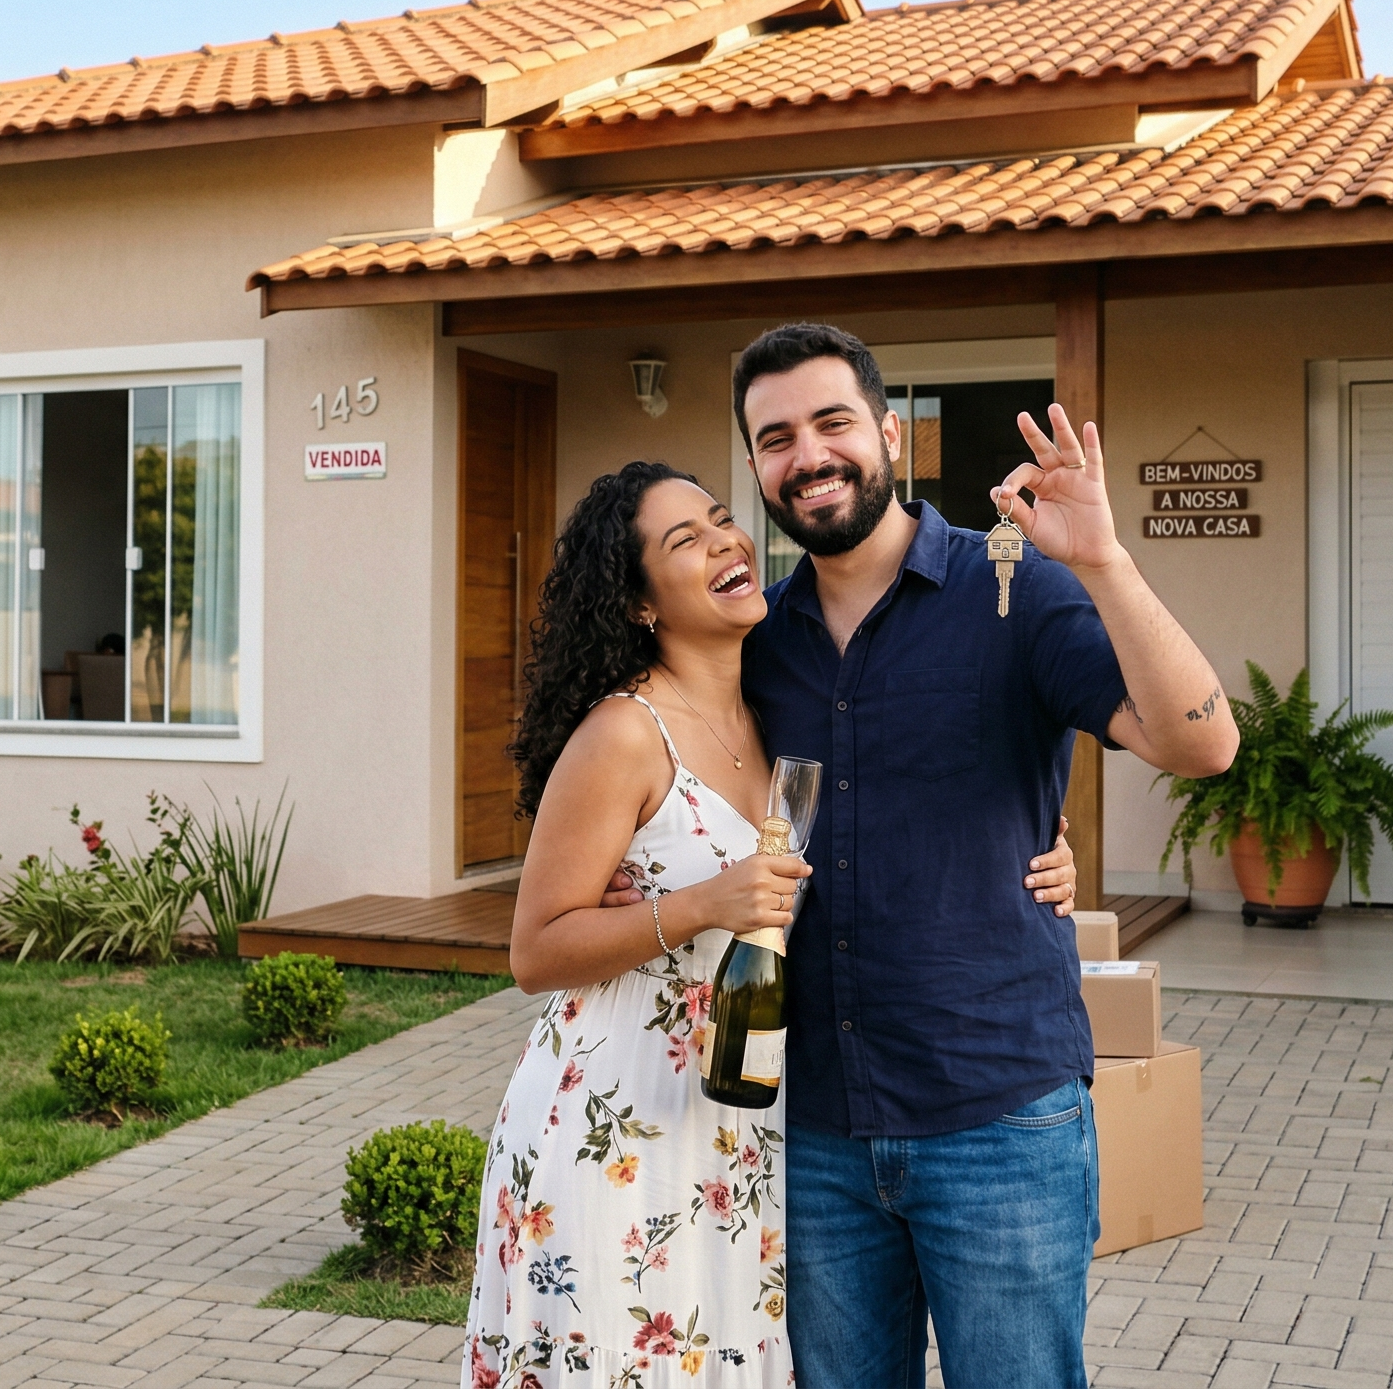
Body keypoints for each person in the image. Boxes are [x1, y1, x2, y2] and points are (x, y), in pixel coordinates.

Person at [462, 461, 1080, 1389]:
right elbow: (534, 950)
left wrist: (1037, 844)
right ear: (638, 604)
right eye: (686, 541)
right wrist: (703, 903)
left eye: (720, 520)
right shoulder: (625, 734)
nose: (724, 542)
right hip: (621, 1126)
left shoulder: (778, 708)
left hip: (743, 1130)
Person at [732, 322, 1239, 1389]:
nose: (807, 455)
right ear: (755, 467)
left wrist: (1101, 558)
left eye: (831, 423)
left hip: (997, 1118)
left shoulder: (1014, 590)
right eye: (774, 438)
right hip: (815, 1125)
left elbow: (1202, 744)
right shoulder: (754, 645)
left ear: (887, 433)